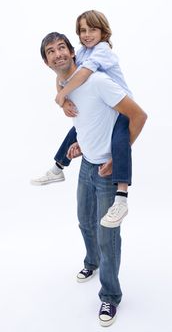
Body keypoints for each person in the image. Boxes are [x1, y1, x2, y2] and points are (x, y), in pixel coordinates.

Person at [39, 31, 147, 326]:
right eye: (51, 51)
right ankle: (92, 263)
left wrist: (117, 157)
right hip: (86, 165)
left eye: (62, 47)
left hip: (107, 172)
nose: (58, 53)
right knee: (84, 221)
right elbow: (92, 120)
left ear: (73, 52)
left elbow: (138, 116)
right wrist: (81, 145)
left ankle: (110, 296)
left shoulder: (98, 81)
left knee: (107, 235)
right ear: (47, 62)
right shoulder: (67, 87)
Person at [31, 10, 134, 228]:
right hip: (104, 109)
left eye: (92, 29)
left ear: (104, 32)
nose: (87, 34)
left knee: (120, 146)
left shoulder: (102, 51)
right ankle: (58, 168)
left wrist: (61, 95)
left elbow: (84, 74)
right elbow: (63, 76)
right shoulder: (84, 51)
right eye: (82, 30)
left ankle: (122, 198)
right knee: (76, 130)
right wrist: (63, 98)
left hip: (121, 110)